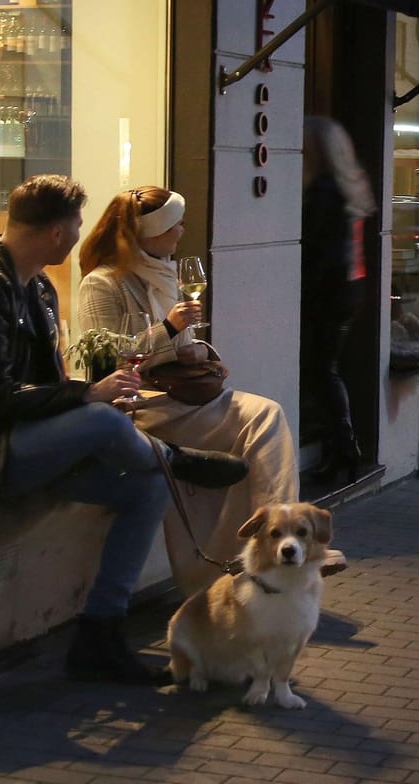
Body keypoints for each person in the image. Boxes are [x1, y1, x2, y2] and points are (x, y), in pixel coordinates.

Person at [0, 175, 245, 685]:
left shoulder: (36, 285)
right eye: (77, 226)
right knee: (106, 417)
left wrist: (88, 401)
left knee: (148, 485)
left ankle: (100, 633)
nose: (82, 235)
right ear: (59, 233)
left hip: (20, 444)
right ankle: (173, 455)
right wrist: (88, 397)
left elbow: (45, 384)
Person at [74, 186, 308, 595]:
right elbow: (107, 359)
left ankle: (265, 552)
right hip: (143, 404)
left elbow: (182, 346)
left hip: (182, 397)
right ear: (149, 233)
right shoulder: (102, 283)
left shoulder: (163, 272)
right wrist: (170, 329)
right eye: (173, 225)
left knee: (263, 423)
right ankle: (275, 547)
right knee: (262, 418)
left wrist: (199, 352)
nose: (182, 230)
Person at [302, 116, 375, 487]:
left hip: (328, 293)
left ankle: (343, 449)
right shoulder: (349, 186)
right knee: (327, 370)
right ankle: (343, 448)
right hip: (350, 288)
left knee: (321, 372)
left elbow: (319, 254)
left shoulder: (322, 190)